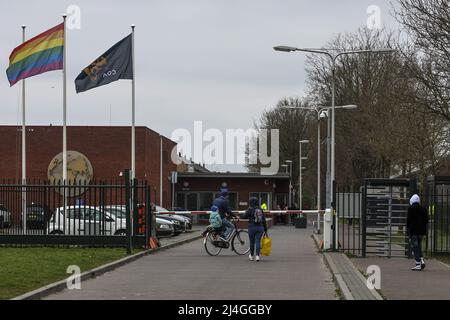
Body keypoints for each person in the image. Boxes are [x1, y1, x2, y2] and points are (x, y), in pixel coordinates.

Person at [407, 194, 429, 271]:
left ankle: (418, 264)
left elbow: (408, 221)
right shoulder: (424, 209)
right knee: (419, 246)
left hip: (413, 231)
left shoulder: (411, 208)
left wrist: (408, 231)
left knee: (415, 247)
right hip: (421, 232)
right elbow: (426, 220)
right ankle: (422, 260)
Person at [245, 197, 268, 261]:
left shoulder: (250, 209)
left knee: (252, 242)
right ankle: (257, 256)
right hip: (260, 228)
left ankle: (251, 256)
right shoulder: (260, 209)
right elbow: (264, 220)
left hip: (251, 227)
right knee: (258, 241)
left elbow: (244, 216)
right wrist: (265, 229)